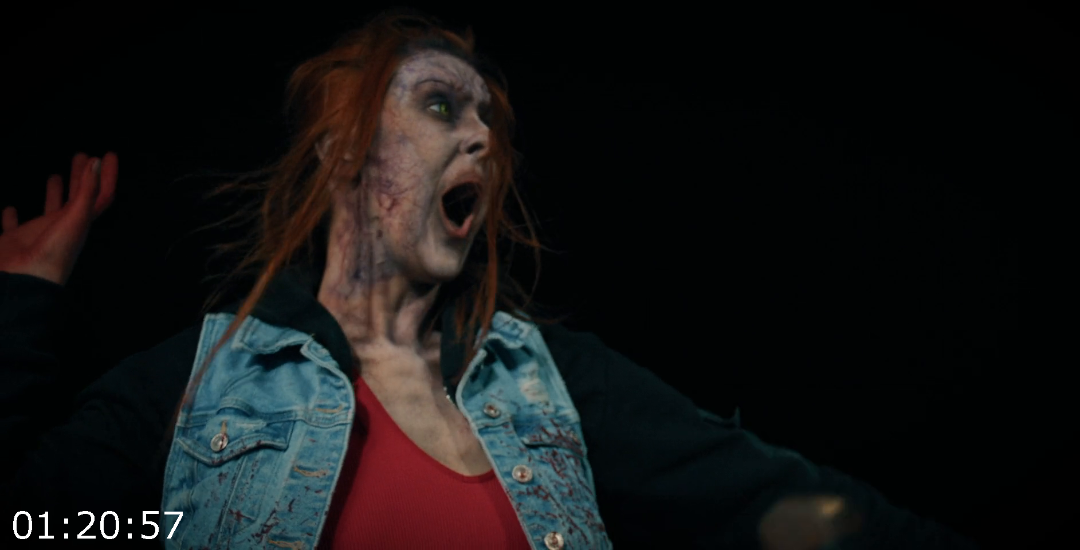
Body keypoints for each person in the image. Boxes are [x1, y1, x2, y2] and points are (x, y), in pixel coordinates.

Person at [1, 10, 979, 550]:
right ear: (344, 147)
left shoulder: (544, 379)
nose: (480, 138)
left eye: (489, 125)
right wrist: (21, 303)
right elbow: (34, 524)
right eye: (441, 105)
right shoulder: (204, 380)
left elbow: (781, 502)